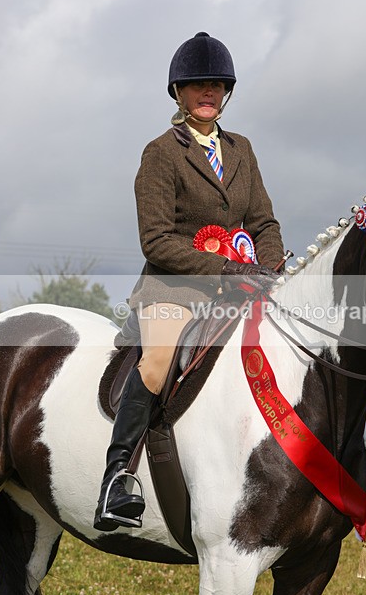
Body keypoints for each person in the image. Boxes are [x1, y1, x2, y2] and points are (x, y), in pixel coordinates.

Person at [94, 32, 284, 531]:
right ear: (178, 91)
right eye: (198, 85)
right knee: (158, 362)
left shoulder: (242, 149)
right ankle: (116, 478)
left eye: (217, 85)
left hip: (241, 286)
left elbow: (262, 220)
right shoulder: (160, 153)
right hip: (173, 288)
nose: (209, 93)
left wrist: (269, 266)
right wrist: (228, 268)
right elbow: (155, 241)